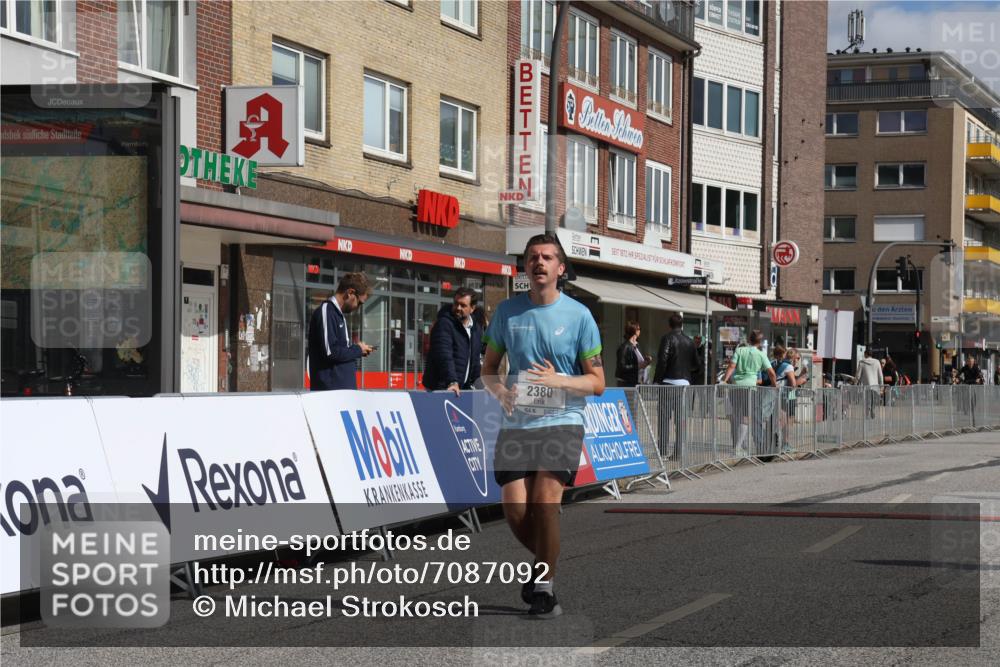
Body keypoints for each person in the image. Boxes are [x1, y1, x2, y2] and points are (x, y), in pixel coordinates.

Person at [480, 233, 604, 619]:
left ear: (560, 268)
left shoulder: (579, 316)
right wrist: (501, 392)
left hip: (563, 419)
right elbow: (488, 369)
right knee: (515, 509)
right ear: (525, 266)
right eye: (533, 256)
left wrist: (559, 381)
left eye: (547, 257)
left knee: (545, 504)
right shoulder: (507, 312)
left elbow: (597, 383)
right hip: (518, 422)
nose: (539, 262)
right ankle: (544, 562)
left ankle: (544, 589)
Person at [307, 272, 374, 391]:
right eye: (359, 303)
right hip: (331, 393)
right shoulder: (327, 311)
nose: (358, 307)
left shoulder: (337, 314)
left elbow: (337, 350)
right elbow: (330, 351)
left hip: (342, 392)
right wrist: (357, 350)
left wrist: (358, 349)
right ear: (350, 293)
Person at [652, 314, 700, 461]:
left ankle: (662, 451)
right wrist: (688, 373)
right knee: (680, 420)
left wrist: (657, 380)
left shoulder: (667, 338)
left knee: (664, 418)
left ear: (669, 324)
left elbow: (662, 360)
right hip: (684, 384)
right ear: (682, 324)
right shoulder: (689, 341)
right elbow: (697, 364)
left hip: (668, 383)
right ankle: (678, 452)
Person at [722, 331, 777, 456]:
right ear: (760, 342)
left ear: (749, 339)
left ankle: (738, 446)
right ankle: (738, 447)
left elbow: (731, 366)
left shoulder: (740, 351)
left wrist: (724, 380)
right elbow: (771, 373)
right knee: (746, 418)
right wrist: (774, 386)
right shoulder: (761, 354)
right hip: (750, 388)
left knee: (736, 416)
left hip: (736, 387)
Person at [422, 287, 483, 396]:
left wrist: (480, 384)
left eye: (463, 305)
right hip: (441, 388)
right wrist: (452, 381)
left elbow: (475, 361)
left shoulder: (476, 329)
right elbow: (444, 355)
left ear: (472, 308)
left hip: (463, 390)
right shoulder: (444, 324)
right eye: (456, 303)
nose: (458, 308)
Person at [615, 321, 650, 387]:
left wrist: (646, 361)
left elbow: (638, 361)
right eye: (639, 329)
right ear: (635, 331)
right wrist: (638, 366)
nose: (640, 331)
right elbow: (621, 367)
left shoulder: (637, 345)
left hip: (636, 381)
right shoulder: (624, 347)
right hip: (626, 382)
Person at [855, 348, 884, 419]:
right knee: (873, 400)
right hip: (875, 386)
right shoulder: (877, 362)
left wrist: (855, 383)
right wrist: (882, 387)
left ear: (866, 354)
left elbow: (858, 376)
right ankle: (872, 410)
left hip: (866, 386)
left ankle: (867, 412)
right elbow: (880, 375)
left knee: (866, 400)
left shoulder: (862, 362)